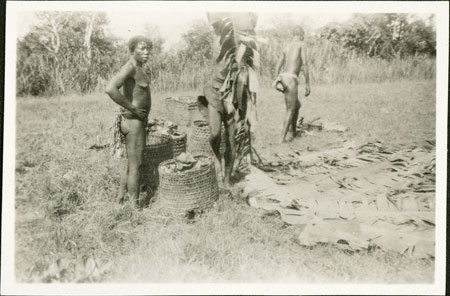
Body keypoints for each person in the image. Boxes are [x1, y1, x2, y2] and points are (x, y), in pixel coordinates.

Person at [106, 36, 152, 207]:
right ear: (132, 50)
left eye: (148, 49)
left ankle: (119, 198)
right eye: (142, 48)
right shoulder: (130, 67)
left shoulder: (138, 67)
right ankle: (134, 208)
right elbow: (110, 88)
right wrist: (132, 108)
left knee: (131, 162)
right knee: (137, 165)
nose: (146, 52)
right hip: (133, 122)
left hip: (135, 121)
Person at [273, 26, 311, 143]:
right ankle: (281, 139)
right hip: (291, 78)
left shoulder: (287, 45)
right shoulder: (301, 44)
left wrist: (276, 79)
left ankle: (293, 132)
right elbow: (304, 64)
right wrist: (308, 83)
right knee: (290, 109)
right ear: (301, 34)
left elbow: (279, 63)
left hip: (283, 77)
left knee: (297, 106)